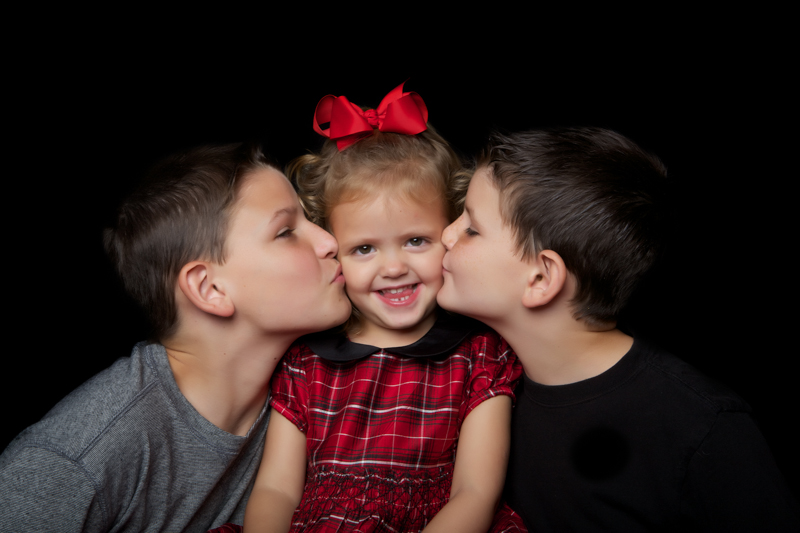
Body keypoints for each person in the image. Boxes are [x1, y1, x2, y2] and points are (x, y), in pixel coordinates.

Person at [436, 127, 800, 531]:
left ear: (540, 278)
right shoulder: (471, 379)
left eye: (471, 228)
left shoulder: (704, 429)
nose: (446, 234)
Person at [0, 143, 352, 532]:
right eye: (286, 231)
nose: (329, 241)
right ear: (209, 289)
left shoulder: (318, 394)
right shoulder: (70, 463)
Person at [240, 84, 525, 533]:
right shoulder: (305, 362)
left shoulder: (480, 356)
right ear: (333, 249)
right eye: (365, 248)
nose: (393, 268)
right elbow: (276, 490)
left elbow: (476, 493)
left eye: (416, 241)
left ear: (449, 231)